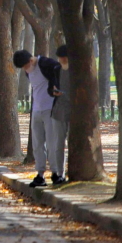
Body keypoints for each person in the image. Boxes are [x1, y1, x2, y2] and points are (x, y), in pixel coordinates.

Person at [13, 49, 60, 187]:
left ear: (31, 60)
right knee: (38, 145)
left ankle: (56, 173)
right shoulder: (28, 71)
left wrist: (56, 86)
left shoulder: (45, 63)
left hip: (50, 109)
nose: (25, 70)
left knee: (52, 143)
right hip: (36, 111)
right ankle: (40, 174)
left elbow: (59, 69)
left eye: (26, 66)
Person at [51, 45, 70, 185]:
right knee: (59, 144)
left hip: (73, 110)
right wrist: (53, 91)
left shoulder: (76, 70)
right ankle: (59, 173)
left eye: (63, 57)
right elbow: (50, 87)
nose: (61, 60)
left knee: (72, 143)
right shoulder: (56, 70)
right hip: (58, 111)